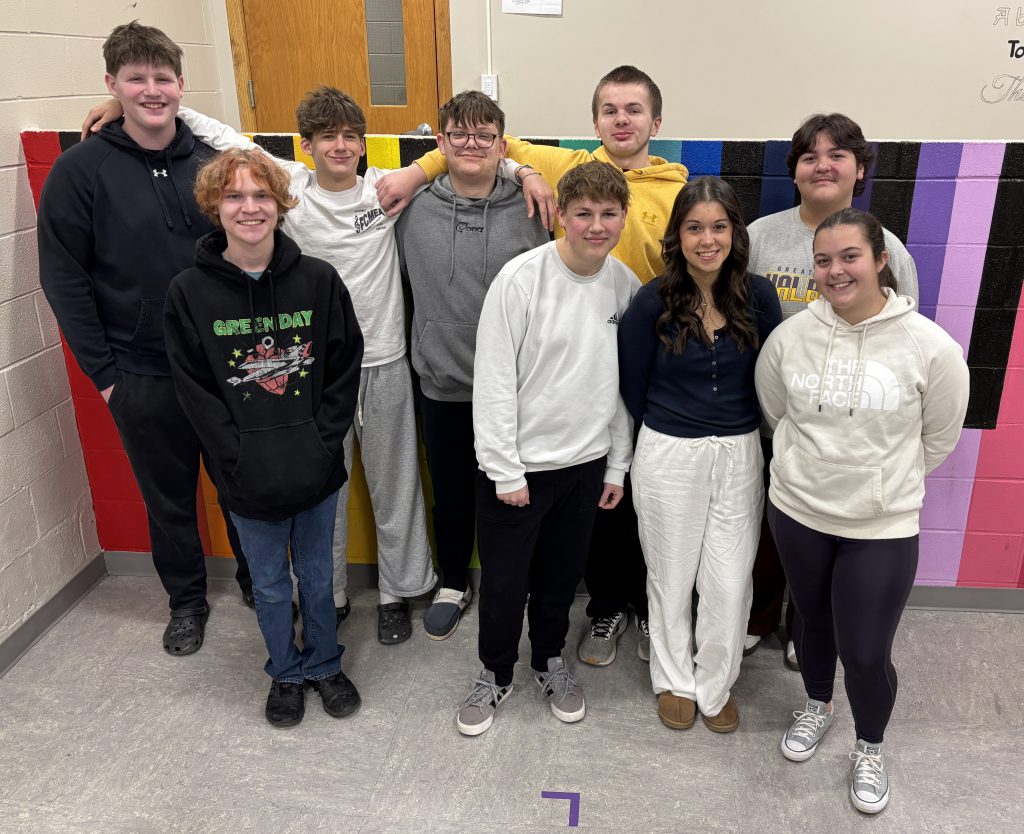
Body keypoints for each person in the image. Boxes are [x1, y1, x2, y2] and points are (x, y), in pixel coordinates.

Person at [378, 65, 689, 668]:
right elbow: (488, 147)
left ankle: (614, 609)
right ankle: (460, 588)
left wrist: (508, 167)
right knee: (461, 494)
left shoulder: (674, 196)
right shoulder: (554, 175)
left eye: (633, 109)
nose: (621, 119)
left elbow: (496, 147)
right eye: (609, 109)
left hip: (601, 374)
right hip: (456, 378)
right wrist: (423, 168)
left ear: (656, 121)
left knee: (610, 499)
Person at [37, 21, 254, 656]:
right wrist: (105, 375)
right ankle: (186, 601)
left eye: (163, 78)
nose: (151, 90)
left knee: (242, 484)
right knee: (168, 499)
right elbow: (65, 278)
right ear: (112, 85)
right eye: (136, 79)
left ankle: (257, 580)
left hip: (225, 366)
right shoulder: (81, 172)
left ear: (182, 84)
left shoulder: (214, 164)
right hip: (140, 371)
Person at [755, 208, 968, 813]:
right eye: (823, 260)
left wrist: (881, 481)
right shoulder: (790, 338)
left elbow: (939, 436)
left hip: (882, 522)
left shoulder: (930, 347)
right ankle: (816, 705)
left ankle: (869, 746)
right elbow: (776, 412)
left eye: (850, 256)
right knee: (811, 623)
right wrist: (808, 470)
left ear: (881, 261)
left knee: (867, 649)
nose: (835, 270)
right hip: (798, 510)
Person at [164, 148, 364, 727]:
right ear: (214, 207)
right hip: (246, 475)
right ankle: (286, 671)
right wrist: (235, 456)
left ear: (280, 205)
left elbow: (342, 368)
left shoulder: (319, 281)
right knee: (273, 587)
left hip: (317, 468)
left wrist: (324, 443)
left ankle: (325, 663)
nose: (249, 208)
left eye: (261, 196)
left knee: (320, 578)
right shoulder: (188, 293)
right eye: (234, 196)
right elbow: (196, 390)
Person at [456, 162, 639, 736]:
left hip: (584, 469)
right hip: (518, 470)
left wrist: (616, 463)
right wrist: (504, 470)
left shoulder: (625, 284)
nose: (596, 226)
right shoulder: (520, 279)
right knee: (507, 585)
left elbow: (619, 387)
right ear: (560, 214)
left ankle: (549, 662)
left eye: (609, 214)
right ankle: (494, 672)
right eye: (583, 213)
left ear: (623, 218)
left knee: (561, 581)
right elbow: (492, 382)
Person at [744, 113, 921, 669]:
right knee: (768, 525)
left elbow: (907, 339)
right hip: (771, 414)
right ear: (794, 171)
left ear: (859, 169)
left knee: (827, 533)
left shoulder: (886, 249)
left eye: (837, 154)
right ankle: (759, 616)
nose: (823, 165)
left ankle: (808, 627)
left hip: (849, 427)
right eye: (809, 156)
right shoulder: (759, 237)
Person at [619, 177, 781, 734]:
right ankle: (673, 679)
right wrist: (673, 431)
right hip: (669, 453)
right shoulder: (652, 299)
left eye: (718, 226)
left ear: (734, 232)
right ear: (678, 235)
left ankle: (716, 682)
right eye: (694, 228)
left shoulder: (758, 296)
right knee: (670, 573)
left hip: (739, 454)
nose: (707, 239)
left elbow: (771, 378)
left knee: (730, 579)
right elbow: (631, 386)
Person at [395, 91, 549, 640]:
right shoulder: (411, 207)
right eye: (458, 134)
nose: (471, 145)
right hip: (443, 384)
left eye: (484, 136)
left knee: (512, 496)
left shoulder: (535, 207)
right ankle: (454, 583)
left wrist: (524, 171)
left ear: (500, 145)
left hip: (513, 389)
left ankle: (513, 586)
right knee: (453, 494)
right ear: (441, 142)